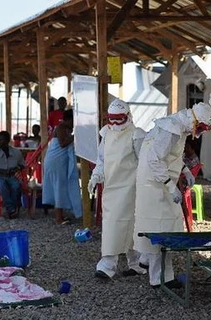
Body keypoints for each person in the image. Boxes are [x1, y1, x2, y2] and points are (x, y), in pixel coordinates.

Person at [133, 102, 211, 289]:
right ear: (194, 120)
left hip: (160, 182)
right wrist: (170, 185)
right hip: (153, 184)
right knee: (158, 229)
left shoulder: (180, 128)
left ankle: (163, 274)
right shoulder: (171, 129)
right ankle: (157, 278)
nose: (200, 132)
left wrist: (185, 171)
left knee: (167, 227)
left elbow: (172, 157)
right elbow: (154, 159)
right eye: (200, 128)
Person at [88, 99, 147, 280]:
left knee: (131, 226)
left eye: (118, 119)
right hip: (112, 188)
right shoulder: (106, 134)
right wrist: (95, 176)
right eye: (111, 119)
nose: (114, 124)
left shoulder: (137, 135)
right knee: (112, 224)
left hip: (132, 188)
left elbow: (144, 162)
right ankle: (109, 264)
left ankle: (132, 263)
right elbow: (102, 161)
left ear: (128, 116)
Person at [42, 109, 82, 224]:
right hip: (56, 161)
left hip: (59, 161)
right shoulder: (60, 128)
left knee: (61, 186)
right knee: (58, 186)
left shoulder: (67, 128)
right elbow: (63, 143)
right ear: (69, 119)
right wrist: (75, 136)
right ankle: (59, 218)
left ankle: (61, 214)